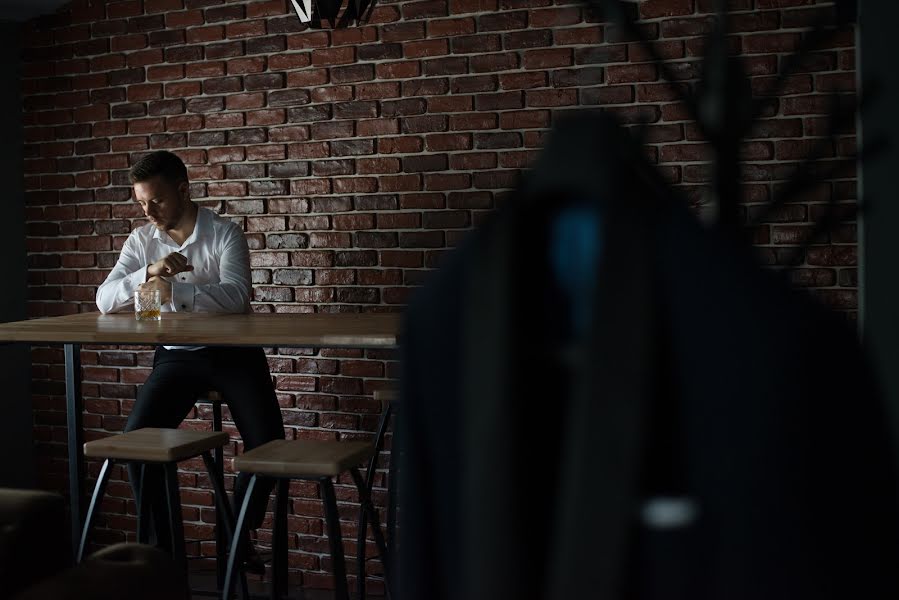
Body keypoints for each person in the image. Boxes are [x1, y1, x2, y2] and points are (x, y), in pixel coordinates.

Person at [96, 150, 284, 567]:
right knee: (136, 447)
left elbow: (237, 298)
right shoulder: (141, 240)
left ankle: (236, 535)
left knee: (269, 447)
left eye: (156, 200)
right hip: (176, 357)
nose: (148, 211)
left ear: (183, 189)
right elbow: (105, 300)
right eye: (141, 202)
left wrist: (175, 292)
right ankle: (164, 552)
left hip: (233, 354)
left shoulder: (224, 233)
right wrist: (149, 273)